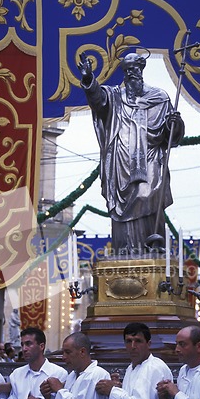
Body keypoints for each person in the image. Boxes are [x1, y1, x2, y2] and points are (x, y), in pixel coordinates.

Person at [78, 51, 184, 254]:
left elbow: (170, 137)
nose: (132, 74)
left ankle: (151, 246)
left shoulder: (159, 98)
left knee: (148, 196)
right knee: (122, 208)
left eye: (135, 69)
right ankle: (125, 249)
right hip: (121, 162)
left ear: (141, 70)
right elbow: (98, 100)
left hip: (150, 158)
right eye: (128, 70)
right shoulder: (115, 96)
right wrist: (89, 79)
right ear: (124, 74)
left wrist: (174, 124)